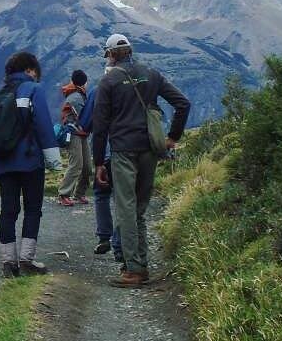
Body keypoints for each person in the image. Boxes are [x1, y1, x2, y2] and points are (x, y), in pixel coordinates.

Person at [92, 34, 190, 287]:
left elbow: (100, 125)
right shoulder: (151, 74)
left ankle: (133, 270)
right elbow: (183, 104)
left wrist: (98, 163)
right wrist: (172, 138)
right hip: (150, 149)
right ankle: (139, 265)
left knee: (125, 207)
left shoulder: (108, 81)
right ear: (130, 51)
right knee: (139, 209)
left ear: (112, 54)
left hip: (123, 150)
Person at [0, 51, 62, 278]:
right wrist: (53, 160)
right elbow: (43, 125)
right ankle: (26, 260)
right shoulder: (33, 89)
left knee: (7, 211)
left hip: (2, 160)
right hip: (29, 160)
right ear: (30, 70)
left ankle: (8, 263)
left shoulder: (0, 94)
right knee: (32, 209)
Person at [81, 86, 123, 261]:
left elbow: (85, 123)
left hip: (105, 151)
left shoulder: (98, 90)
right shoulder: (136, 86)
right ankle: (120, 245)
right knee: (123, 199)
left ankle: (104, 236)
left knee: (101, 193)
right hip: (128, 151)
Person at [57, 69, 92, 206]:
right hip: (74, 134)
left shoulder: (77, 95)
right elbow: (83, 119)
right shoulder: (76, 98)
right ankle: (64, 194)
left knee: (87, 167)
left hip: (81, 135)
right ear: (84, 83)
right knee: (77, 165)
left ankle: (79, 193)